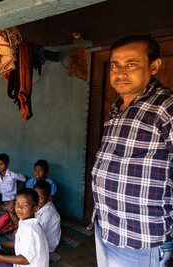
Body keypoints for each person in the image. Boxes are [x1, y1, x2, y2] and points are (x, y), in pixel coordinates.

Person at [91, 35, 173, 266]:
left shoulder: (166, 107)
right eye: (115, 65)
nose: (121, 72)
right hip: (107, 227)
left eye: (132, 64)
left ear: (154, 66)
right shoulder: (117, 109)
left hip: (140, 238)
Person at [0, 188, 49, 267]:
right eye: (17, 204)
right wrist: (0, 244)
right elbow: (19, 243)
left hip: (26, 262)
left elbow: (26, 259)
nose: (19, 208)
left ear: (35, 209)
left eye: (25, 205)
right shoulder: (31, 222)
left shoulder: (28, 228)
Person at [33, 180, 61, 252]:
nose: (37, 199)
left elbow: (37, 232)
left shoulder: (48, 213)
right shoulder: (41, 205)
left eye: (41, 197)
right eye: (35, 196)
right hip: (40, 234)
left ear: (48, 197)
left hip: (48, 243)